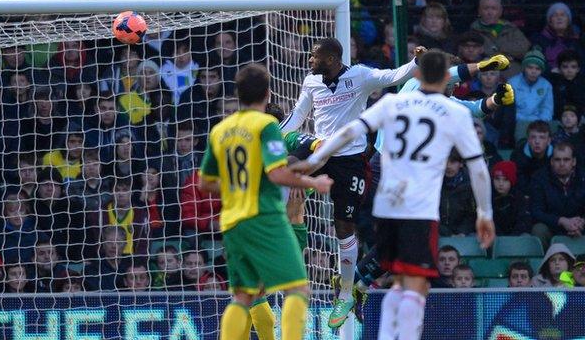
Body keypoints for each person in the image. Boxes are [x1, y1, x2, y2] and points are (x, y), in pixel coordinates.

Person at [292, 50, 495, 340]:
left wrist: (313, 161)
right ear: (446, 79)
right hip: (419, 208)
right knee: (416, 287)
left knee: (399, 281)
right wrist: (485, 214)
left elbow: (350, 131)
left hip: (387, 206)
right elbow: (477, 167)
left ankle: (359, 287)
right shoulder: (454, 113)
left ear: (420, 74)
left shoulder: (393, 103)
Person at [279, 37, 422, 329]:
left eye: (313, 57)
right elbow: (297, 115)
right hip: (320, 149)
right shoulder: (311, 82)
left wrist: (416, 62)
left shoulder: (360, 76)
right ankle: (274, 227)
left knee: (344, 226)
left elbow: (393, 76)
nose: (309, 61)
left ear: (330, 59)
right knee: (288, 165)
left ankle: (346, 292)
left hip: (349, 159)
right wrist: (271, 135)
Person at [198, 63, 332, 340]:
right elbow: (277, 173)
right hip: (264, 218)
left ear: (238, 94)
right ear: (268, 94)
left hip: (233, 222)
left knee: (243, 296)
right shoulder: (266, 125)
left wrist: (240, 184)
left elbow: (205, 183)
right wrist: (313, 182)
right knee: (297, 289)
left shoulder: (220, 130)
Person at [529, 142, 585, 246]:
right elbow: (536, 211)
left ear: (574, 161)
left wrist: (581, 222)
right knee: (538, 229)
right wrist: (562, 221)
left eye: (566, 159)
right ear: (551, 161)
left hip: (580, 227)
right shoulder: (539, 178)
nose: (562, 164)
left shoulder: (583, 177)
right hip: (553, 227)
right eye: (557, 159)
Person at [509, 49, 554, 141]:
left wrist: (539, 123)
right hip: (517, 123)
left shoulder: (546, 85)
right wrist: (523, 121)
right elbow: (509, 110)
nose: (533, 71)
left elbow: (547, 109)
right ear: (524, 68)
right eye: (530, 67)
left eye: (537, 69)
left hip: (539, 124)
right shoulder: (512, 83)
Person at [510, 120, 553, 195]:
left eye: (542, 137)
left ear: (549, 140)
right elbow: (519, 184)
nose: (537, 141)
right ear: (528, 140)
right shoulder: (518, 155)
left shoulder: (556, 156)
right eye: (533, 137)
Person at [491, 161, 531, 236]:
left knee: (526, 236)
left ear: (511, 181)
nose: (501, 183)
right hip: (495, 237)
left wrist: (511, 238)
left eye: (505, 180)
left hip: (516, 237)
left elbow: (523, 221)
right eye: (497, 179)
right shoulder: (488, 197)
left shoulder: (519, 198)